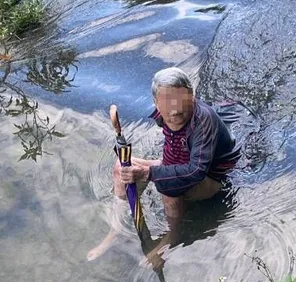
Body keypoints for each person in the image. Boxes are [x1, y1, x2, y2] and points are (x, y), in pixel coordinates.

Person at [87, 68, 240, 262]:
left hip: (212, 176)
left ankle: (173, 236)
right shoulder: (162, 115)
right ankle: (115, 230)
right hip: (180, 163)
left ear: (191, 96)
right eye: (167, 103)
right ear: (156, 103)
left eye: (180, 100)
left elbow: (196, 171)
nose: (174, 110)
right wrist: (134, 166)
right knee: (120, 168)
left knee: (170, 188)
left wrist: (148, 173)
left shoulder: (204, 120)